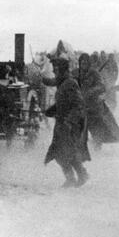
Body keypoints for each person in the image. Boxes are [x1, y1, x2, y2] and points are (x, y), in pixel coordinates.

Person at [42, 58, 90, 187]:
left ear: (61, 69)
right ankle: (76, 177)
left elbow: (78, 104)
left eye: (55, 68)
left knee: (64, 151)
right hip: (63, 123)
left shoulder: (70, 83)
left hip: (70, 123)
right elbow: (62, 101)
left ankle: (78, 176)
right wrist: (49, 111)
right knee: (61, 151)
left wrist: (69, 121)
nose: (54, 71)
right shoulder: (63, 82)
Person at [77, 53, 119, 150]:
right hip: (81, 104)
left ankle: (97, 145)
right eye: (81, 63)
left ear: (88, 63)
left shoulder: (94, 73)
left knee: (94, 127)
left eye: (85, 63)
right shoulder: (77, 73)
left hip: (93, 105)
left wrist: (90, 91)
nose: (83, 65)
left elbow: (101, 86)